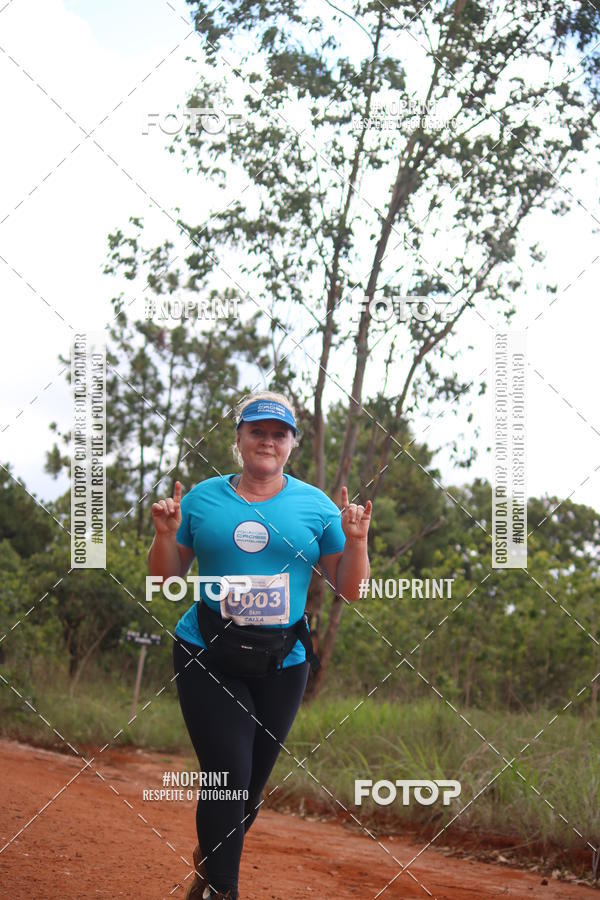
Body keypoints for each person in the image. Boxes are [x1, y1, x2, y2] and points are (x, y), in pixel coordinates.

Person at [148, 391, 372, 899]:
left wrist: (357, 541)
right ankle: (223, 890)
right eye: (257, 431)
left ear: (291, 443)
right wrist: (164, 534)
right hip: (206, 651)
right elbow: (165, 579)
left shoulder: (317, 507)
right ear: (239, 439)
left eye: (279, 434)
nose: (267, 441)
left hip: (283, 661)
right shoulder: (203, 499)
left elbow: (351, 590)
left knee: (248, 793)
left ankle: (211, 863)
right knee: (228, 773)